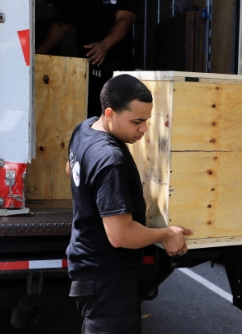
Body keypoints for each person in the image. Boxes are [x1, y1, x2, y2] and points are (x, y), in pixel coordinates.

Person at [65, 74, 192, 333]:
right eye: (137, 121)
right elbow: (120, 235)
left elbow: (71, 169)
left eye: (146, 120)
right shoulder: (110, 159)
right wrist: (168, 234)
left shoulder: (85, 128)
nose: (144, 129)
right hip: (108, 277)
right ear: (110, 113)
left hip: (89, 266)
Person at [36, 0, 138, 118]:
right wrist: (36, 54)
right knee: (88, 116)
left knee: (117, 116)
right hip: (85, 66)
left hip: (118, 66)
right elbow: (61, 25)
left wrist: (105, 45)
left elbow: (125, 19)